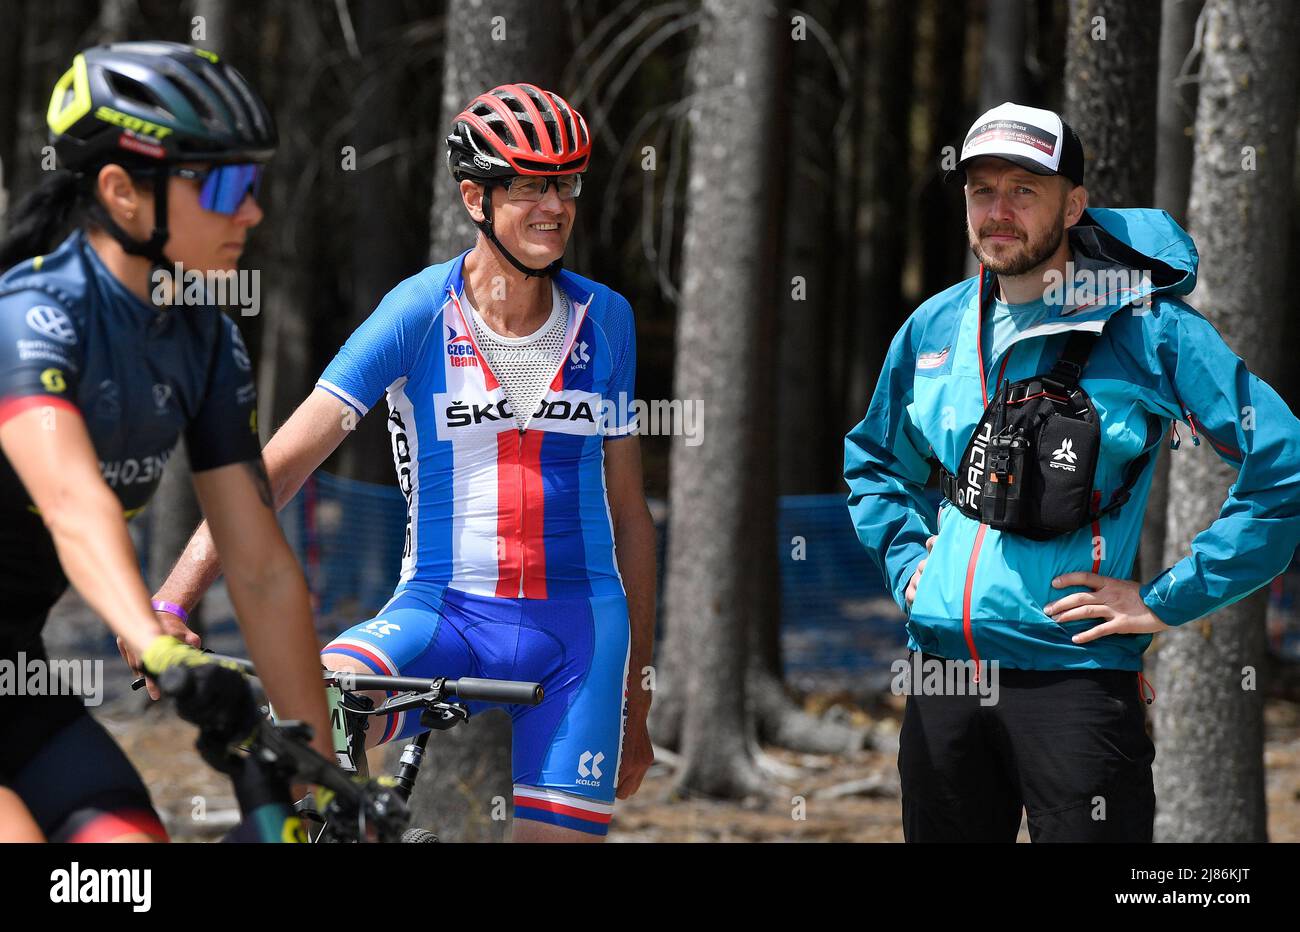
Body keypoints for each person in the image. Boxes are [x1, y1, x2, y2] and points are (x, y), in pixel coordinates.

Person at [153, 83, 658, 842]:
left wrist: (638, 703)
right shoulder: (419, 311)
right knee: (308, 718)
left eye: (566, 183)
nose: (554, 205)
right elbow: (279, 469)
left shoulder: (607, 319)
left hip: (580, 636)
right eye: (529, 186)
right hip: (442, 611)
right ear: (474, 197)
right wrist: (172, 602)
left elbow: (631, 519)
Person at [844, 102, 1300, 842]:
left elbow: (1285, 466)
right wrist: (905, 565)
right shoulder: (932, 326)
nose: (998, 212)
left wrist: (1166, 600)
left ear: (1074, 203)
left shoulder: (1147, 329)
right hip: (941, 682)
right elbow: (873, 462)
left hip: (1074, 683)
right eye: (981, 190)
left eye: (1024, 191)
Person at [0, 41, 333, 842]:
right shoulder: (30, 317)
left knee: (124, 862)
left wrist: (323, 775)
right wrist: (156, 644)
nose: (249, 211)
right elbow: (72, 503)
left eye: (253, 184)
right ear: (121, 190)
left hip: (14, 680)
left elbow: (258, 570)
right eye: (222, 185)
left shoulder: (205, 341)